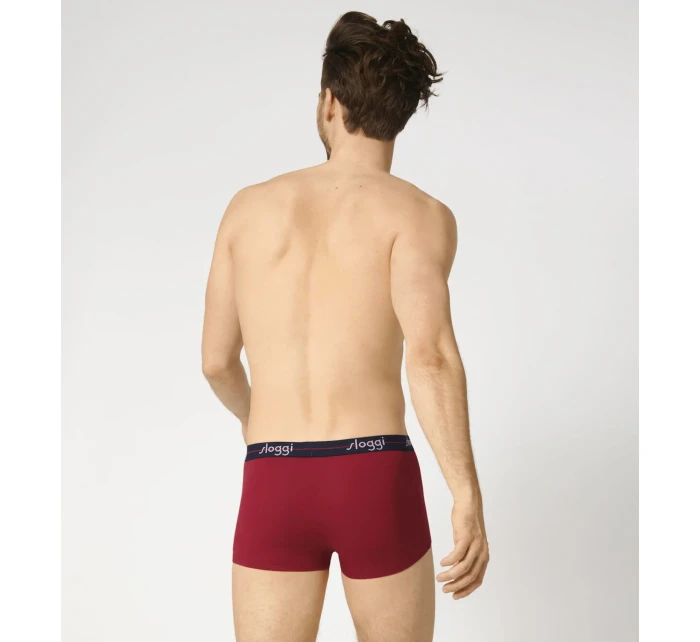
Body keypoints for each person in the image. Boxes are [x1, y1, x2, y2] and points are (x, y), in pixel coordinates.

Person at [202, 11, 489, 642]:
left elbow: (217, 361)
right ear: (401, 113)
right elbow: (432, 356)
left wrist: (255, 420)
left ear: (329, 101)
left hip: (274, 471)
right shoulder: (420, 215)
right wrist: (465, 493)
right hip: (374, 473)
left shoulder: (247, 210)